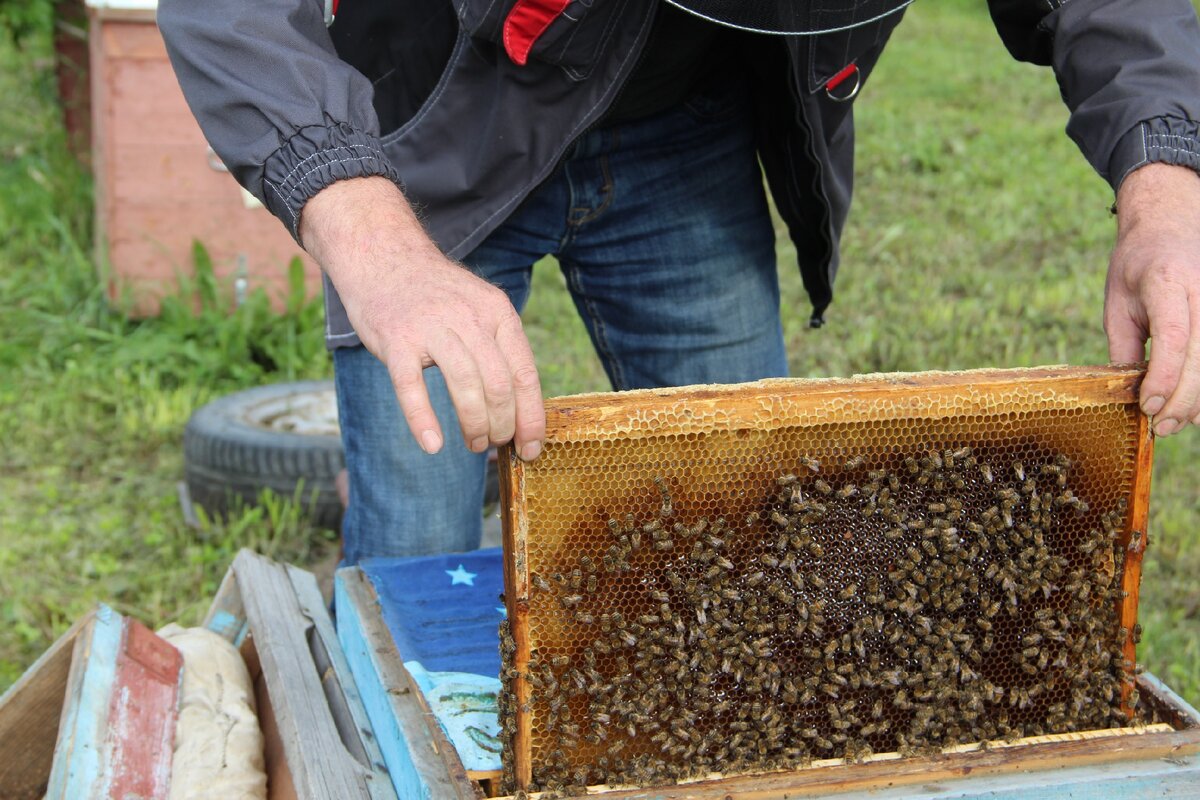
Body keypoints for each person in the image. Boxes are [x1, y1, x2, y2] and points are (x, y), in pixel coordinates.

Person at [158, 0, 1200, 563]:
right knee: (419, 560)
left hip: (684, 130)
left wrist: (1167, 178)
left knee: (751, 534)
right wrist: (368, 236)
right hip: (435, 129)